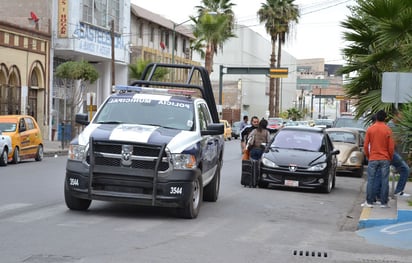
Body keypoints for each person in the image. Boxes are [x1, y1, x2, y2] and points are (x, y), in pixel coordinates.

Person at [363, 110, 395, 208]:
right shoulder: (388, 130)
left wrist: (369, 156)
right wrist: (390, 157)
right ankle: (383, 202)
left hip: (373, 157)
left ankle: (369, 202)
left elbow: (365, 146)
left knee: (371, 180)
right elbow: (391, 147)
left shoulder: (370, 129)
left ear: (376, 117)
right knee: (385, 180)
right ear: (385, 118)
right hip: (385, 158)